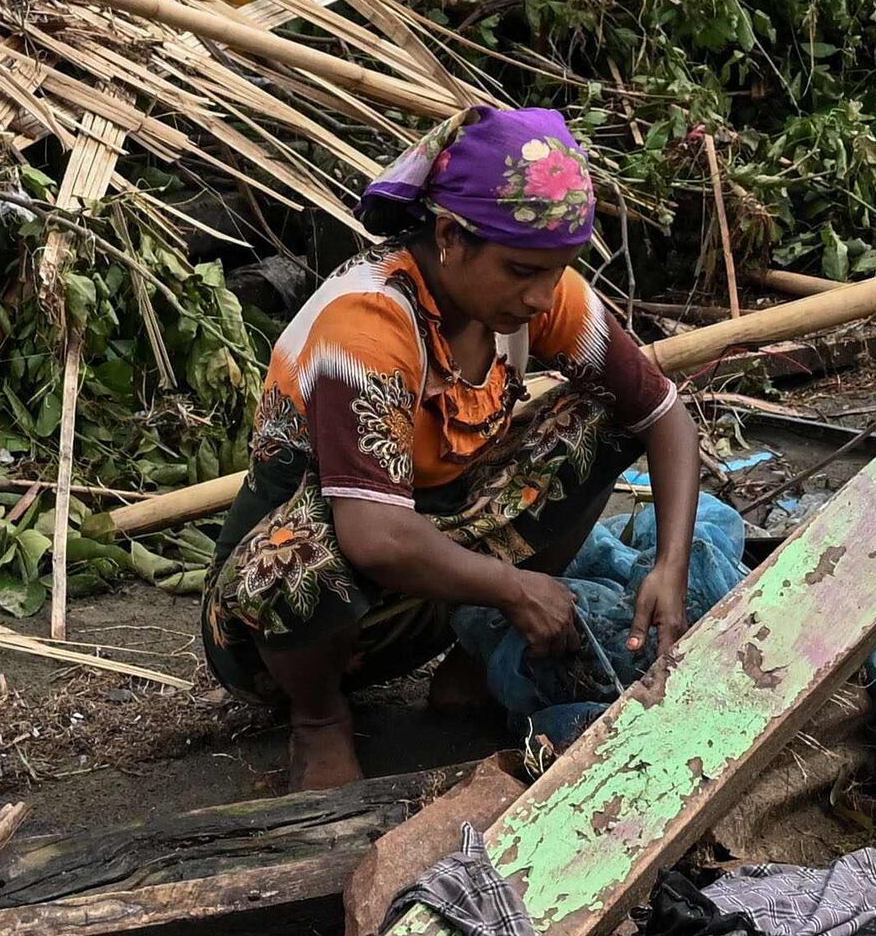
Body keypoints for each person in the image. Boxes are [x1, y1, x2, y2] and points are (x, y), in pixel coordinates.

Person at [204, 107, 704, 791]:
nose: (541, 295)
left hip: (429, 567)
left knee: (606, 414)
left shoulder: (537, 297)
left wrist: (670, 567)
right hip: (282, 623)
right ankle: (318, 721)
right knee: (298, 557)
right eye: (522, 269)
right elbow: (374, 535)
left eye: (558, 271)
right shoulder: (368, 322)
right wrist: (514, 586)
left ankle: (476, 651)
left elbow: (664, 415)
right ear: (450, 236)